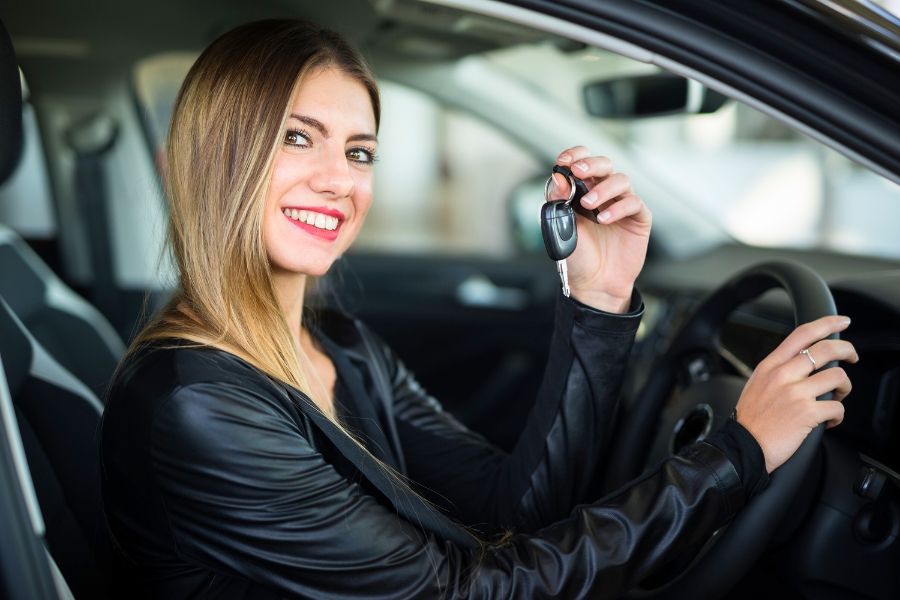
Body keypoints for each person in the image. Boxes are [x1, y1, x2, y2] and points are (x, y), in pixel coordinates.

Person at [99, 19, 857, 600]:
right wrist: (738, 452)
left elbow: (510, 511)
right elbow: (466, 592)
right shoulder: (197, 405)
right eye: (299, 139)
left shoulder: (338, 342)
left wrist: (597, 298)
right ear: (210, 160)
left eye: (360, 151)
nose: (340, 180)